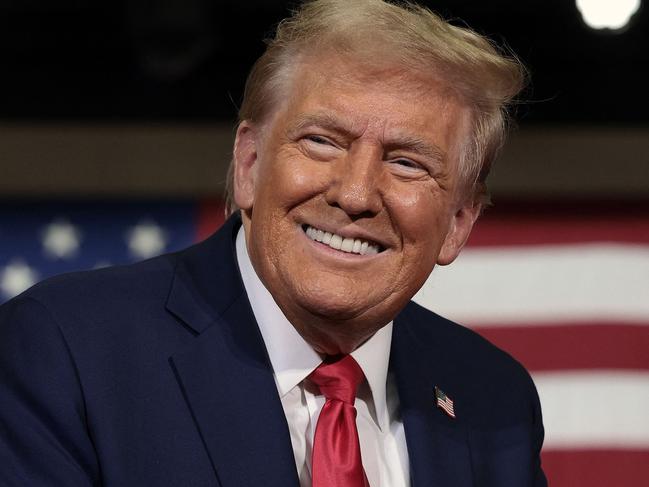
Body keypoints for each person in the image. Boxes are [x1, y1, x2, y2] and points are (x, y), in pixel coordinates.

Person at [0, 0, 546, 486]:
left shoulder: (492, 397)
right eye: (322, 142)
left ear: (458, 221)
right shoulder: (68, 350)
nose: (355, 194)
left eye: (406, 163)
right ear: (249, 164)